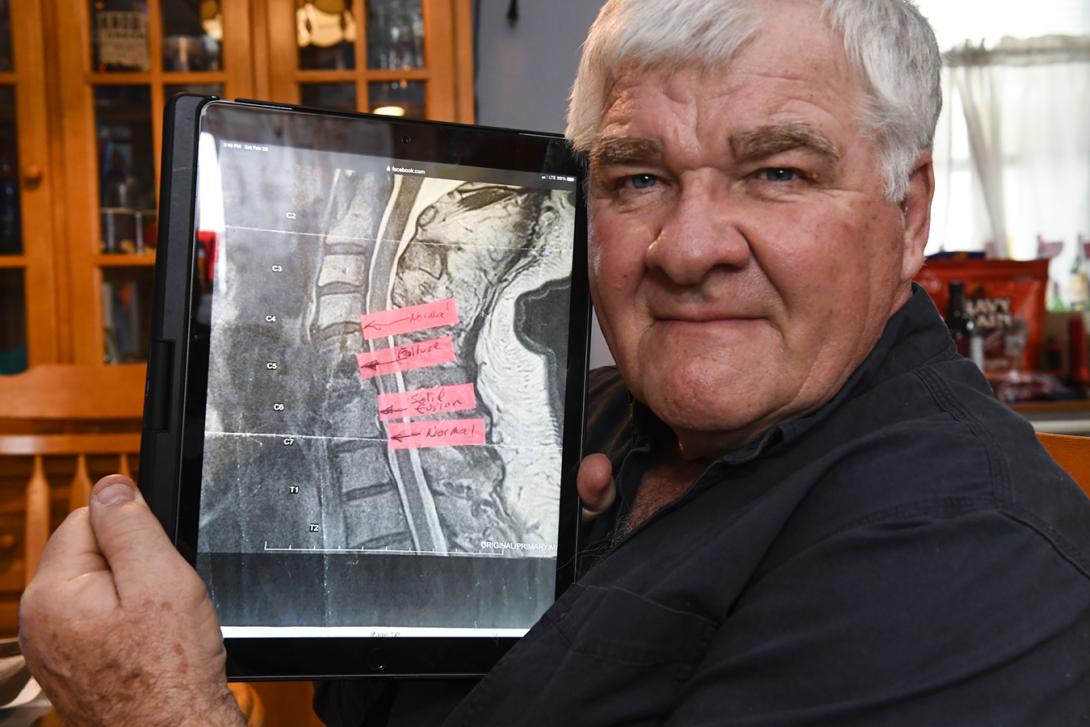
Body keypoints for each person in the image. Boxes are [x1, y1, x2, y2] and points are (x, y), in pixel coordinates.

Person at [19, 0, 1090, 724]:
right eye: (635, 179)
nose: (686, 247)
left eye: (775, 171)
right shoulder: (568, 421)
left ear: (906, 219)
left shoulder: (969, 550)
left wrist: (160, 704)